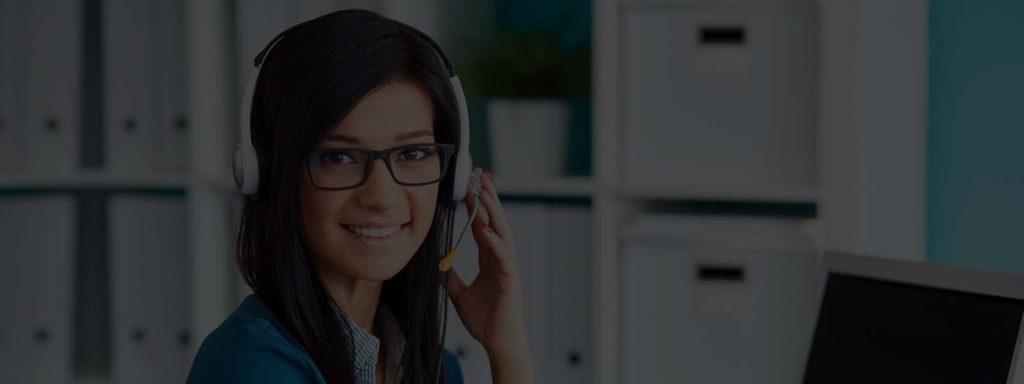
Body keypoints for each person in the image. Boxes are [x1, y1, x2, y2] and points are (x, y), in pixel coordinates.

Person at [186, 9, 535, 384]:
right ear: (271, 174)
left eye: (413, 154)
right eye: (339, 157)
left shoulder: (433, 367)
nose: (381, 197)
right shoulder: (251, 368)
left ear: (452, 177)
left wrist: (508, 352)